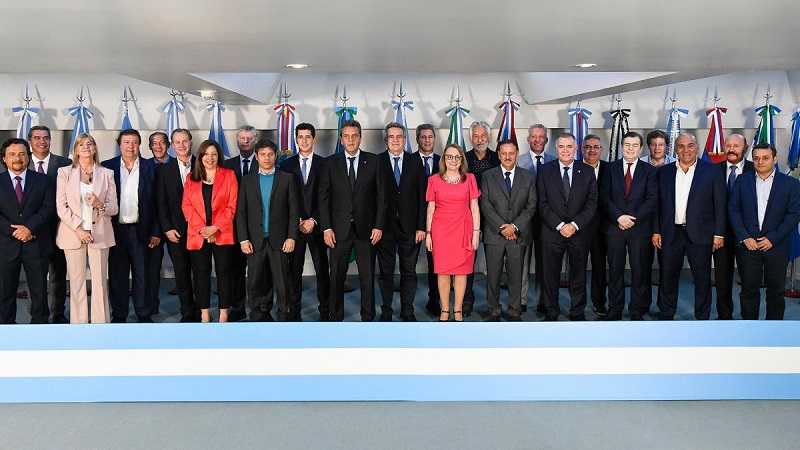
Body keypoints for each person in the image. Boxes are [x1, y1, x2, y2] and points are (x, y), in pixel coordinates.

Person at [318, 119, 386, 321]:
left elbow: (382, 197)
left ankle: (368, 316)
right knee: (336, 277)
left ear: (360, 138)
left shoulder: (374, 161)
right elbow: (323, 198)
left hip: (367, 230)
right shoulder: (330, 163)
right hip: (338, 231)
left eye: (354, 136)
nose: (350, 140)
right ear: (341, 139)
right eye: (346, 136)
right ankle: (336, 316)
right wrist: (326, 228)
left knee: (367, 277)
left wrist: (378, 226)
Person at [653, 133, 726, 320]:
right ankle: (666, 315)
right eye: (681, 146)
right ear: (675, 149)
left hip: (701, 233)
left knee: (702, 280)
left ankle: (702, 319)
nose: (686, 150)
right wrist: (656, 230)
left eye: (690, 145)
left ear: (697, 147)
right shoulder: (664, 172)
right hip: (671, 233)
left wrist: (719, 234)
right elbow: (658, 204)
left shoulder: (712, 171)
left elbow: (720, 204)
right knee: (668, 278)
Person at [729, 143, 800, 320]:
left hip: (776, 246)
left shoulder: (791, 184)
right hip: (748, 246)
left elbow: (794, 214)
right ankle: (749, 327)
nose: (760, 162)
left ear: (775, 159)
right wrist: (745, 237)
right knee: (748, 290)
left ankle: (773, 329)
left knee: (776, 291)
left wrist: (772, 238)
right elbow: (733, 210)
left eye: (765, 158)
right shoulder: (742, 180)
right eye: (756, 158)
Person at [56, 133, 118, 324]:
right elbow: (61, 206)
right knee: (77, 283)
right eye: (81, 144)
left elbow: (114, 207)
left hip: (100, 233)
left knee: (99, 282)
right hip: (74, 234)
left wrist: (100, 204)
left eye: (89, 143)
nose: (86, 147)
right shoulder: (64, 173)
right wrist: (79, 229)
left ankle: (101, 323)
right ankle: (79, 323)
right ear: (75, 150)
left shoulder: (107, 174)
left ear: (95, 148)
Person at [236, 139, 299, 321]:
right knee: (255, 280)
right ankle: (257, 313)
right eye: (263, 154)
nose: (267, 158)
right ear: (256, 156)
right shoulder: (247, 181)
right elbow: (241, 212)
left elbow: (294, 211)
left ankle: (283, 313)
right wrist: (243, 239)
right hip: (254, 240)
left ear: (275, 156)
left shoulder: (286, 179)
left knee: (282, 280)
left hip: (280, 240)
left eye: (270, 154)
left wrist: (291, 237)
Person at [537, 133, 598, 321]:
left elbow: (592, 203)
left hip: (578, 233)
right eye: (561, 147)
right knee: (550, 275)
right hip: (552, 232)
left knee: (578, 275)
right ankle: (551, 311)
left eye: (569, 147)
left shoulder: (587, 171)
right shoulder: (545, 171)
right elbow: (542, 203)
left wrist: (574, 225)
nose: (565, 151)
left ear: (576, 149)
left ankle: (577, 311)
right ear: (556, 149)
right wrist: (560, 225)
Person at [102, 129, 160, 323]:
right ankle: (119, 314)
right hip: (115, 230)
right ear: (120, 144)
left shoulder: (151, 167)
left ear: (139, 145)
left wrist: (156, 231)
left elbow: (158, 203)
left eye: (134, 142)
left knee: (142, 273)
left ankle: (143, 313)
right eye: (126, 142)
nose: (130, 146)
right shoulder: (107, 167)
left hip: (141, 230)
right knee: (117, 274)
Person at [599, 131, 658, 320]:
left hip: (639, 229)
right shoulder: (610, 168)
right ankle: (614, 308)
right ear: (621, 147)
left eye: (634, 146)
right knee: (615, 270)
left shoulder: (650, 171)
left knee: (639, 271)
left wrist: (631, 219)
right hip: (614, 227)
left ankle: (636, 310)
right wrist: (619, 217)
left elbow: (651, 199)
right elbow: (604, 197)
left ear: (641, 149)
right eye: (627, 145)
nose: (630, 149)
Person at [479, 140, 537, 321]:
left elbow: (531, 205)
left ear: (517, 153)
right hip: (494, 235)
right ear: (498, 154)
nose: (507, 157)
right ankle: (493, 311)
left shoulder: (528, 177)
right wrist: (502, 227)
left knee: (516, 277)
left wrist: (515, 226)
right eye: (504, 153)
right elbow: (485, 205)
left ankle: (514, 311)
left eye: (511, 153)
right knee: (493, 277)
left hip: (518, 235)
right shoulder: (487, 176)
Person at [0, 138, 56, 324]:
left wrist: (29, 228)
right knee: (4, 292)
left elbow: (48, 209)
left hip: (36, 243)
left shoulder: (44, 180)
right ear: (4, 158)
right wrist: (15, 232)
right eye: (12, 154)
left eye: (22, 154)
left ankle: (39, 327)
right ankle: (6, 328)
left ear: (29, 157)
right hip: (6, 246)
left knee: (39, 291)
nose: (17, 158)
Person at [182, 140, 238, 323]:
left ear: (218, 156)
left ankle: (223, 313)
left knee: (224, 273)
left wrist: (215, 228)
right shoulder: (191, 178)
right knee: (201, 274)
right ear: (200, 156)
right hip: (198, 234)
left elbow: (232, 205)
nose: (210, 158)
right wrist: (203, 230)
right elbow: (187, 206)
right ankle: (204, 312)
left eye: (214, 154)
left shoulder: (229, 175)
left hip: (222, 233)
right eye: (206, 154)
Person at [279, 123, 330, 321]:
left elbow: (327, 197)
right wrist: (297, 219)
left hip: (317, 226)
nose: (304, 140)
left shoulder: (324, 164)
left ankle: (325, 310)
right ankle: (294, 311)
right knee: (294, 271)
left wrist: (314, 219)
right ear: (296, 139)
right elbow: (284, 197)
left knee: (322, 270)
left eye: (308, 137)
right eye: (300, 137)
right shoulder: (286, 165)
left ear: (314, 139)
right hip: (295, 227)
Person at [376, 122, 427, 322]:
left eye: (399, 136)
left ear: (405, 140)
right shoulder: (377, 161)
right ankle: (386, 311)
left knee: (409, 272)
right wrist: (376, 226)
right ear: (385, 140)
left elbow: (422, 196)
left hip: (410, 228)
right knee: (385, 272)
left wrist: (421, 226)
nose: (395, 140)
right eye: (391, 137)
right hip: (384, 228)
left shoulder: (415, 162)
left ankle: (407, 311)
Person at [426, 144, 481, 322]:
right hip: (441, 230)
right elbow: (431, 208)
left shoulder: (470, 178)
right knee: (442, 271)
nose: (453, 160)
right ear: (444, 159)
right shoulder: (433, 180)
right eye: (449, 156)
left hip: (464, 229)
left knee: (461, 271)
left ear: (462, 160)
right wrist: (428, 233)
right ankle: (444, 309)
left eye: (457, 157)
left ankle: (457, 310)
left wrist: (476, 233)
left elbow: (475, 207)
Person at [27, 125, 71, 323]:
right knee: (35, 277)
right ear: (30, 141)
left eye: (46, 137)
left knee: (58, 275)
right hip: (32, 230)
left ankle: (58, 314)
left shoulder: (64, 164)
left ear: (50, 140)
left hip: (58, 228)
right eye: (37, 138)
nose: (42, 141)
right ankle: (36, 316)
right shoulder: (22, 162)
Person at [156, 129, 198, 322]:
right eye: (177, 142)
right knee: (181, 273)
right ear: (172, 146)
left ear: (191, 142)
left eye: (185, 141)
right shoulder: (164, 170)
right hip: (176, 231)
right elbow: (161, 202)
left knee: (201, 272)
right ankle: (187, 312)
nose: (182, 145)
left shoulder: (203, 164)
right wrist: (167, 229)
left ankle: (203, 310)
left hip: (200, 231)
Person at [713, 134, 753, 320]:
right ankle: (724, 316)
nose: (731, 149)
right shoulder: (713, 170)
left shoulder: (755, 168)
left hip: (748, 235)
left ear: (745, 148)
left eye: (736, 146)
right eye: (728, 145)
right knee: (722, 279)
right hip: (721, 234)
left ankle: (748, 319)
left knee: (748, 279)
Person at [223, 125, 260, 322]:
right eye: (242, 138)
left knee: (258, 271)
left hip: (258, 226)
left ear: (255, 141)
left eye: (249, 138)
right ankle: (237, 308)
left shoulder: (264, 163)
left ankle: (259, 308)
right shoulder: (226, 165)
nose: (245, 142)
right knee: (235, 271)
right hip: (232, 227)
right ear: (237, 141)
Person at [518, 124, 555, 314]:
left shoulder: (555, 161)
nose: (537, 140)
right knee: (521, 263)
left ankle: (543, 301)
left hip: (547, 221)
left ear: (546, 140)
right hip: (524, 219)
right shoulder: (518, 161)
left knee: (544, 263)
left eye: (541, 136)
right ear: (528, 139)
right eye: (534, 136)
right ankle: (521, 300)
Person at [463, 121, 499, 317]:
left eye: (483, 135)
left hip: (494, 217)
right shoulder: (463, 159)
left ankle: (492, 303)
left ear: (489, 137)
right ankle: (467, 299)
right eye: (476, 136)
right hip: (469, 217)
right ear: (470, 138)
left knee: (493, 262)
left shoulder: (498, 157)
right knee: (468, 260)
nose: (480, 139)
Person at [413, 124, 441, 315]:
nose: (427, 140)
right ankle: (407, 305)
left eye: (430, 137)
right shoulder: (408, 160)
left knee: (435, 264)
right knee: (409, 264)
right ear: (417, 139)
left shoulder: (443, 162)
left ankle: (434, 300)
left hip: (437, 220)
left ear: (435, 139)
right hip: (413, 220)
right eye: (423, 137)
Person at [581, 134, 608, 316]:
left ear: (601, 150)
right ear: (582, 149)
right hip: (579, 228)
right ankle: (578, 305)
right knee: (578, 269)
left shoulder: (609, 169)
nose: (592, 150)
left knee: (599, 268)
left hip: (602, 228)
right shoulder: (575, 167)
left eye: (595, 147)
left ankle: (599, 303)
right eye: (588, 147)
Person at [145, 131, 170, 315]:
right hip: (152, 226)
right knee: (152, 269)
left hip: (176, 226)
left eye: (162, 143)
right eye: (155, 143)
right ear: (150, 146)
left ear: (168, 145)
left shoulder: (179, 164)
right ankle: (151, 303)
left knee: (185, 267)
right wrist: (156, 230)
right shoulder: (144, 166)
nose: (159, 146)